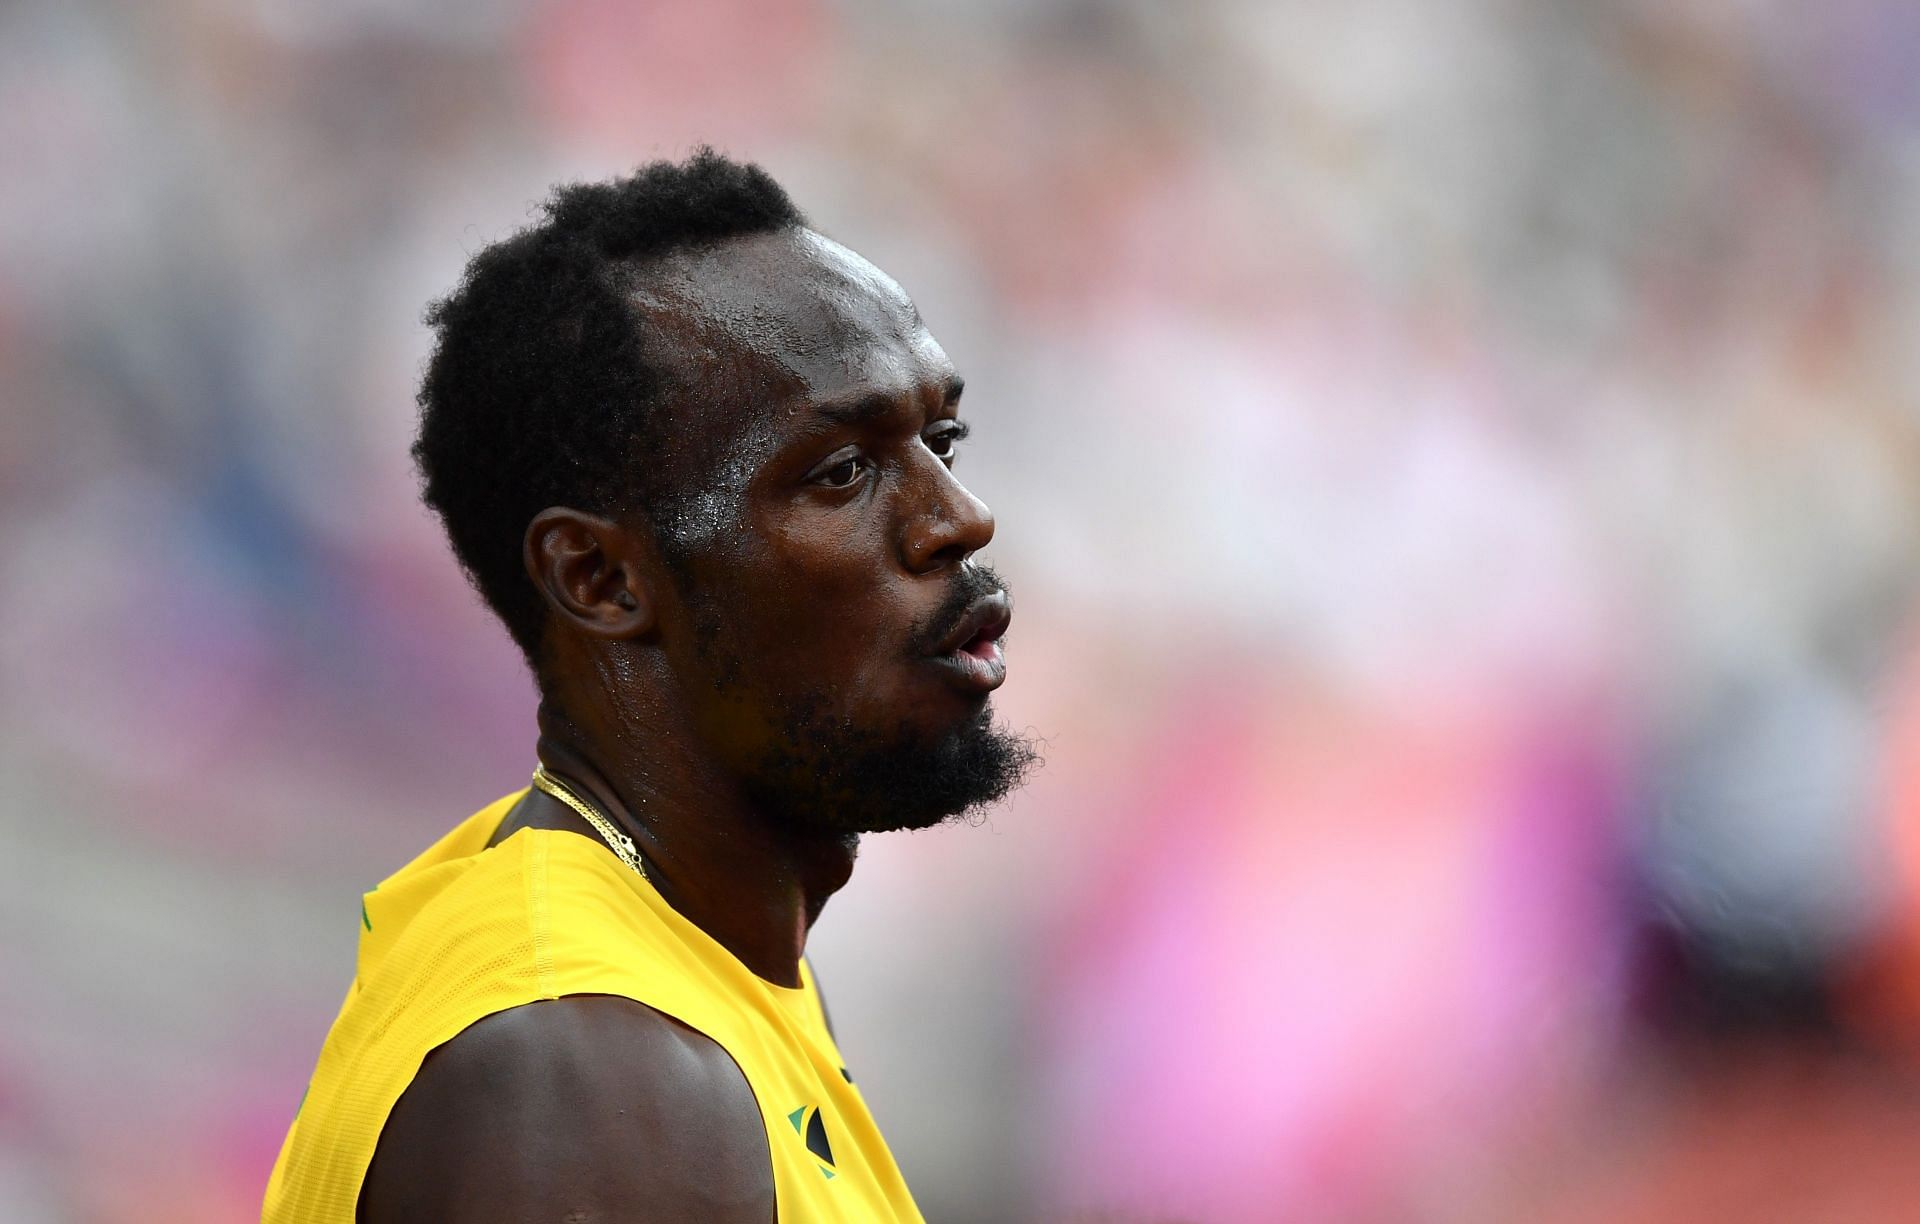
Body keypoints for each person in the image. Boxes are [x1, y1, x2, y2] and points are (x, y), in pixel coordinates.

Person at [262, 149, 1036, 1223]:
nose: (960, 517)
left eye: (940, 440)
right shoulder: (589, 1079)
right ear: (601, 578)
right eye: (843, 472)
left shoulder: (683, 956)